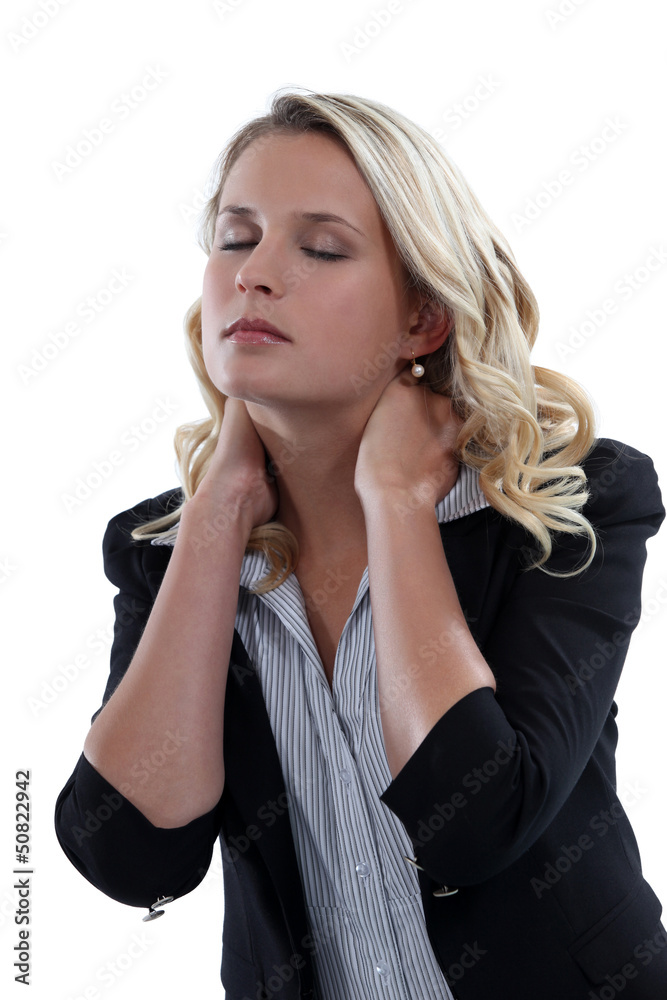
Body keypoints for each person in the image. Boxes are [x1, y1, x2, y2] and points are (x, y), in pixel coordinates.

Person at [54, 89, 666, 1000]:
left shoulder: (569, 505)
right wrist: (221, 508)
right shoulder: (165, 550)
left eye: (320, 248)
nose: (255, 274)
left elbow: (477, 822)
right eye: (235, 237)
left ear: (421, 318)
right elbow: (131, 857)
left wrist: (398, 500)